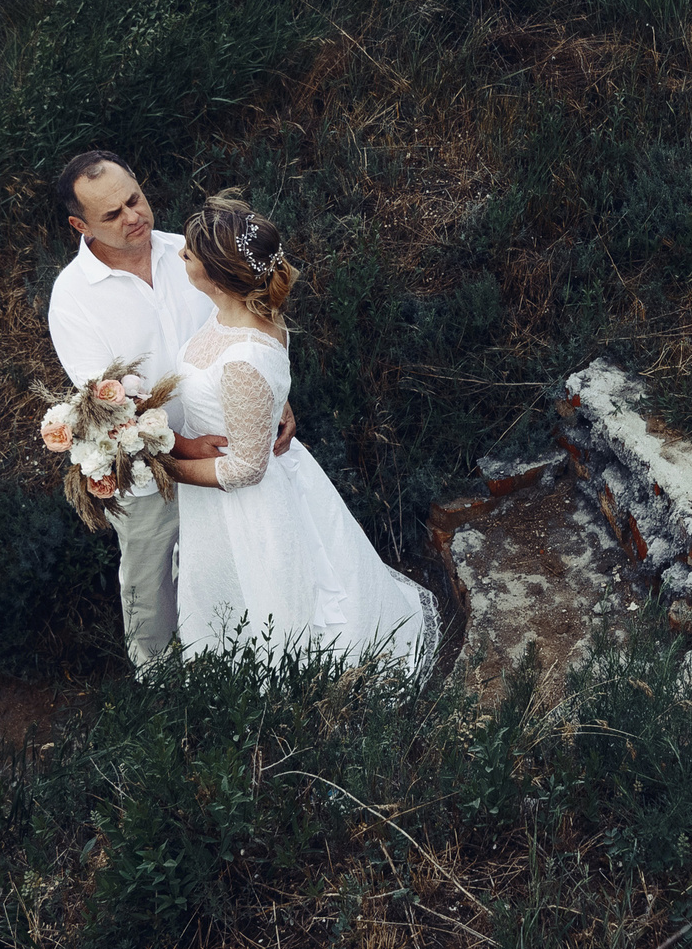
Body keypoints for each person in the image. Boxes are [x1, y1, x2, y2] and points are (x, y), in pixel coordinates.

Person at [162, 191, 441, 675]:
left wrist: (165, 467)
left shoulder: (245, 353)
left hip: (249, 505)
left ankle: (296, 693)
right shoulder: (231, 313)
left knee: (273, 597)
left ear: (217, 276)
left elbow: (247, 468)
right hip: (219, 492)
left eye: (188, 252)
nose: (179, 255)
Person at [46, 150, 295, 670]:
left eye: (133, 199)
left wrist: (276, 396)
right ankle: (156, 680)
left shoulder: (189, 254)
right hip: (149, 472)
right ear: (79, 224)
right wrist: (178, 450)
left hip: (231, 448)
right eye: (111, 215)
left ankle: (245, 667)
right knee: (149, 577)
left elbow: (245, 329)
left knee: (235, 562)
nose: (132, 217)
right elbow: (108, 402)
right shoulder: (73, 299)